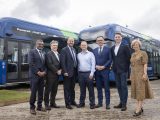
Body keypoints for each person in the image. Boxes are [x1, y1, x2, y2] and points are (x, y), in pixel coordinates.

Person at [130, 39, 154, 116]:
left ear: (139, 45)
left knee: (140, 91)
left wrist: (145, 74)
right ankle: (140, 107)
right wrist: (131, 75)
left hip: (141, 74)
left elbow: (145, 64)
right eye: (134, 45)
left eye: (136, 44)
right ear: (132, 46)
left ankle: (139, 108)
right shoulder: (133, 54)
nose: (135, 46)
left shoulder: (143, 53)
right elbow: (132, 66)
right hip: (134, 75)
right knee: (137, 91)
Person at [111, 32, 131, 111]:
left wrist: (126, 69)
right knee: (118, 86)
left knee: (124, 87)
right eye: (116, 37)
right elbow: (113, 59)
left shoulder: (125, 47)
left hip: (123, 70)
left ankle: (124, 104)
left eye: (119, 37)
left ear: (121, 38)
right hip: (116, 70)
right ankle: (121, 102)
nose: (117, 38)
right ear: (114, 38)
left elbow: (129, 58)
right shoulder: (112, 48)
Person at [93, 36, 112, 109]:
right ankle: (100, 103)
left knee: (107, 88)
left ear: (104, 41)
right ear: (97, 42)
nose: (100, 41)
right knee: (98, 88)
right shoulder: (94, 50)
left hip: (105, 71)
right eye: (98, 40)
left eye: (101, 40)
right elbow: (92, 61)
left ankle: (107, 104)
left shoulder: (108, 49)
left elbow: (110, 60)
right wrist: (95, 66)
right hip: (97, 72)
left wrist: (104, 66)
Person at [28, 39, 46, 115]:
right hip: (34, 75)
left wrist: (44, 72)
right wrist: (38, 72)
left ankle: (39, 106)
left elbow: (45, 64)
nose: (41, 45)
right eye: (39, 44)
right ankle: (32, 107)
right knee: (33, 92)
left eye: (42, 44)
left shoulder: (44, 53)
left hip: (42, 76)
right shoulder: (32, 52)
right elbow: (31, 63)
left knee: (41, 92)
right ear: (36, 44)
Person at [77, 41, 96, 109]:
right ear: (80, 46)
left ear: (87, 46)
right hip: (81, 74)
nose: (83, 46)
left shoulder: (91, 54)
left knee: (91, 90)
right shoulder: (78, 55)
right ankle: (82, 103)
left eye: (85, 45)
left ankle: (92, 104)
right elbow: (78, 65)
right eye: (82, 45)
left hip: (89, 74)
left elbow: (93, 64)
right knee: (82, 90)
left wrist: (92, 73)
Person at [60, 37, 78, 109]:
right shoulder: (64, 50)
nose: (71, 42)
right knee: (67, 88)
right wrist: (65, 71)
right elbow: (62, 62)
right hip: (67, 72)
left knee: (72, 88)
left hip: (74, 72)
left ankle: (72, 101)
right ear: (67, 42)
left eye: (72, 41)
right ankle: (67, 104)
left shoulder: (74, 49)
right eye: (70, 41)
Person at [44, 40, 61, 110]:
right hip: (50, 75)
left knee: (54, 90)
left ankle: (52, 103)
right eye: (53, 45)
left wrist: (61, 70)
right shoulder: (48, 54)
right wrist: (57, 71)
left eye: (56, 45)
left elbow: (61, 63)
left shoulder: (59, 54)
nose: (55, 47)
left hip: (57, 76)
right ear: (51, 46)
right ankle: (46, 104)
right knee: (48, 90)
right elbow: (49, 64)